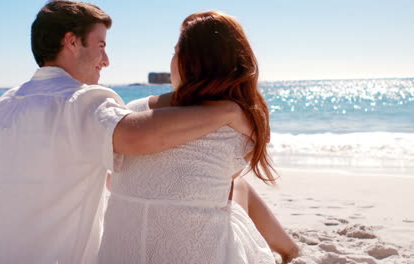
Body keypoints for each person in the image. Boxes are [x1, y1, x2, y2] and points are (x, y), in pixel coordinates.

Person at [0, 2, 252, 264]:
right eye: (100, 45)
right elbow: (137, 137)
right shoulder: (78, 102)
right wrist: (227, 112)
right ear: (71, 42)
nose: (107, 59)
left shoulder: (2, 105)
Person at [100, 11, 292, 263]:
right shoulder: (244, 127)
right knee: (235, 187)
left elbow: (113, 180)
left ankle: (290, 249)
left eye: (176, 50)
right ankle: (290, 250)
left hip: (118, 255)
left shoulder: (134, 111)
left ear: (188, 62)